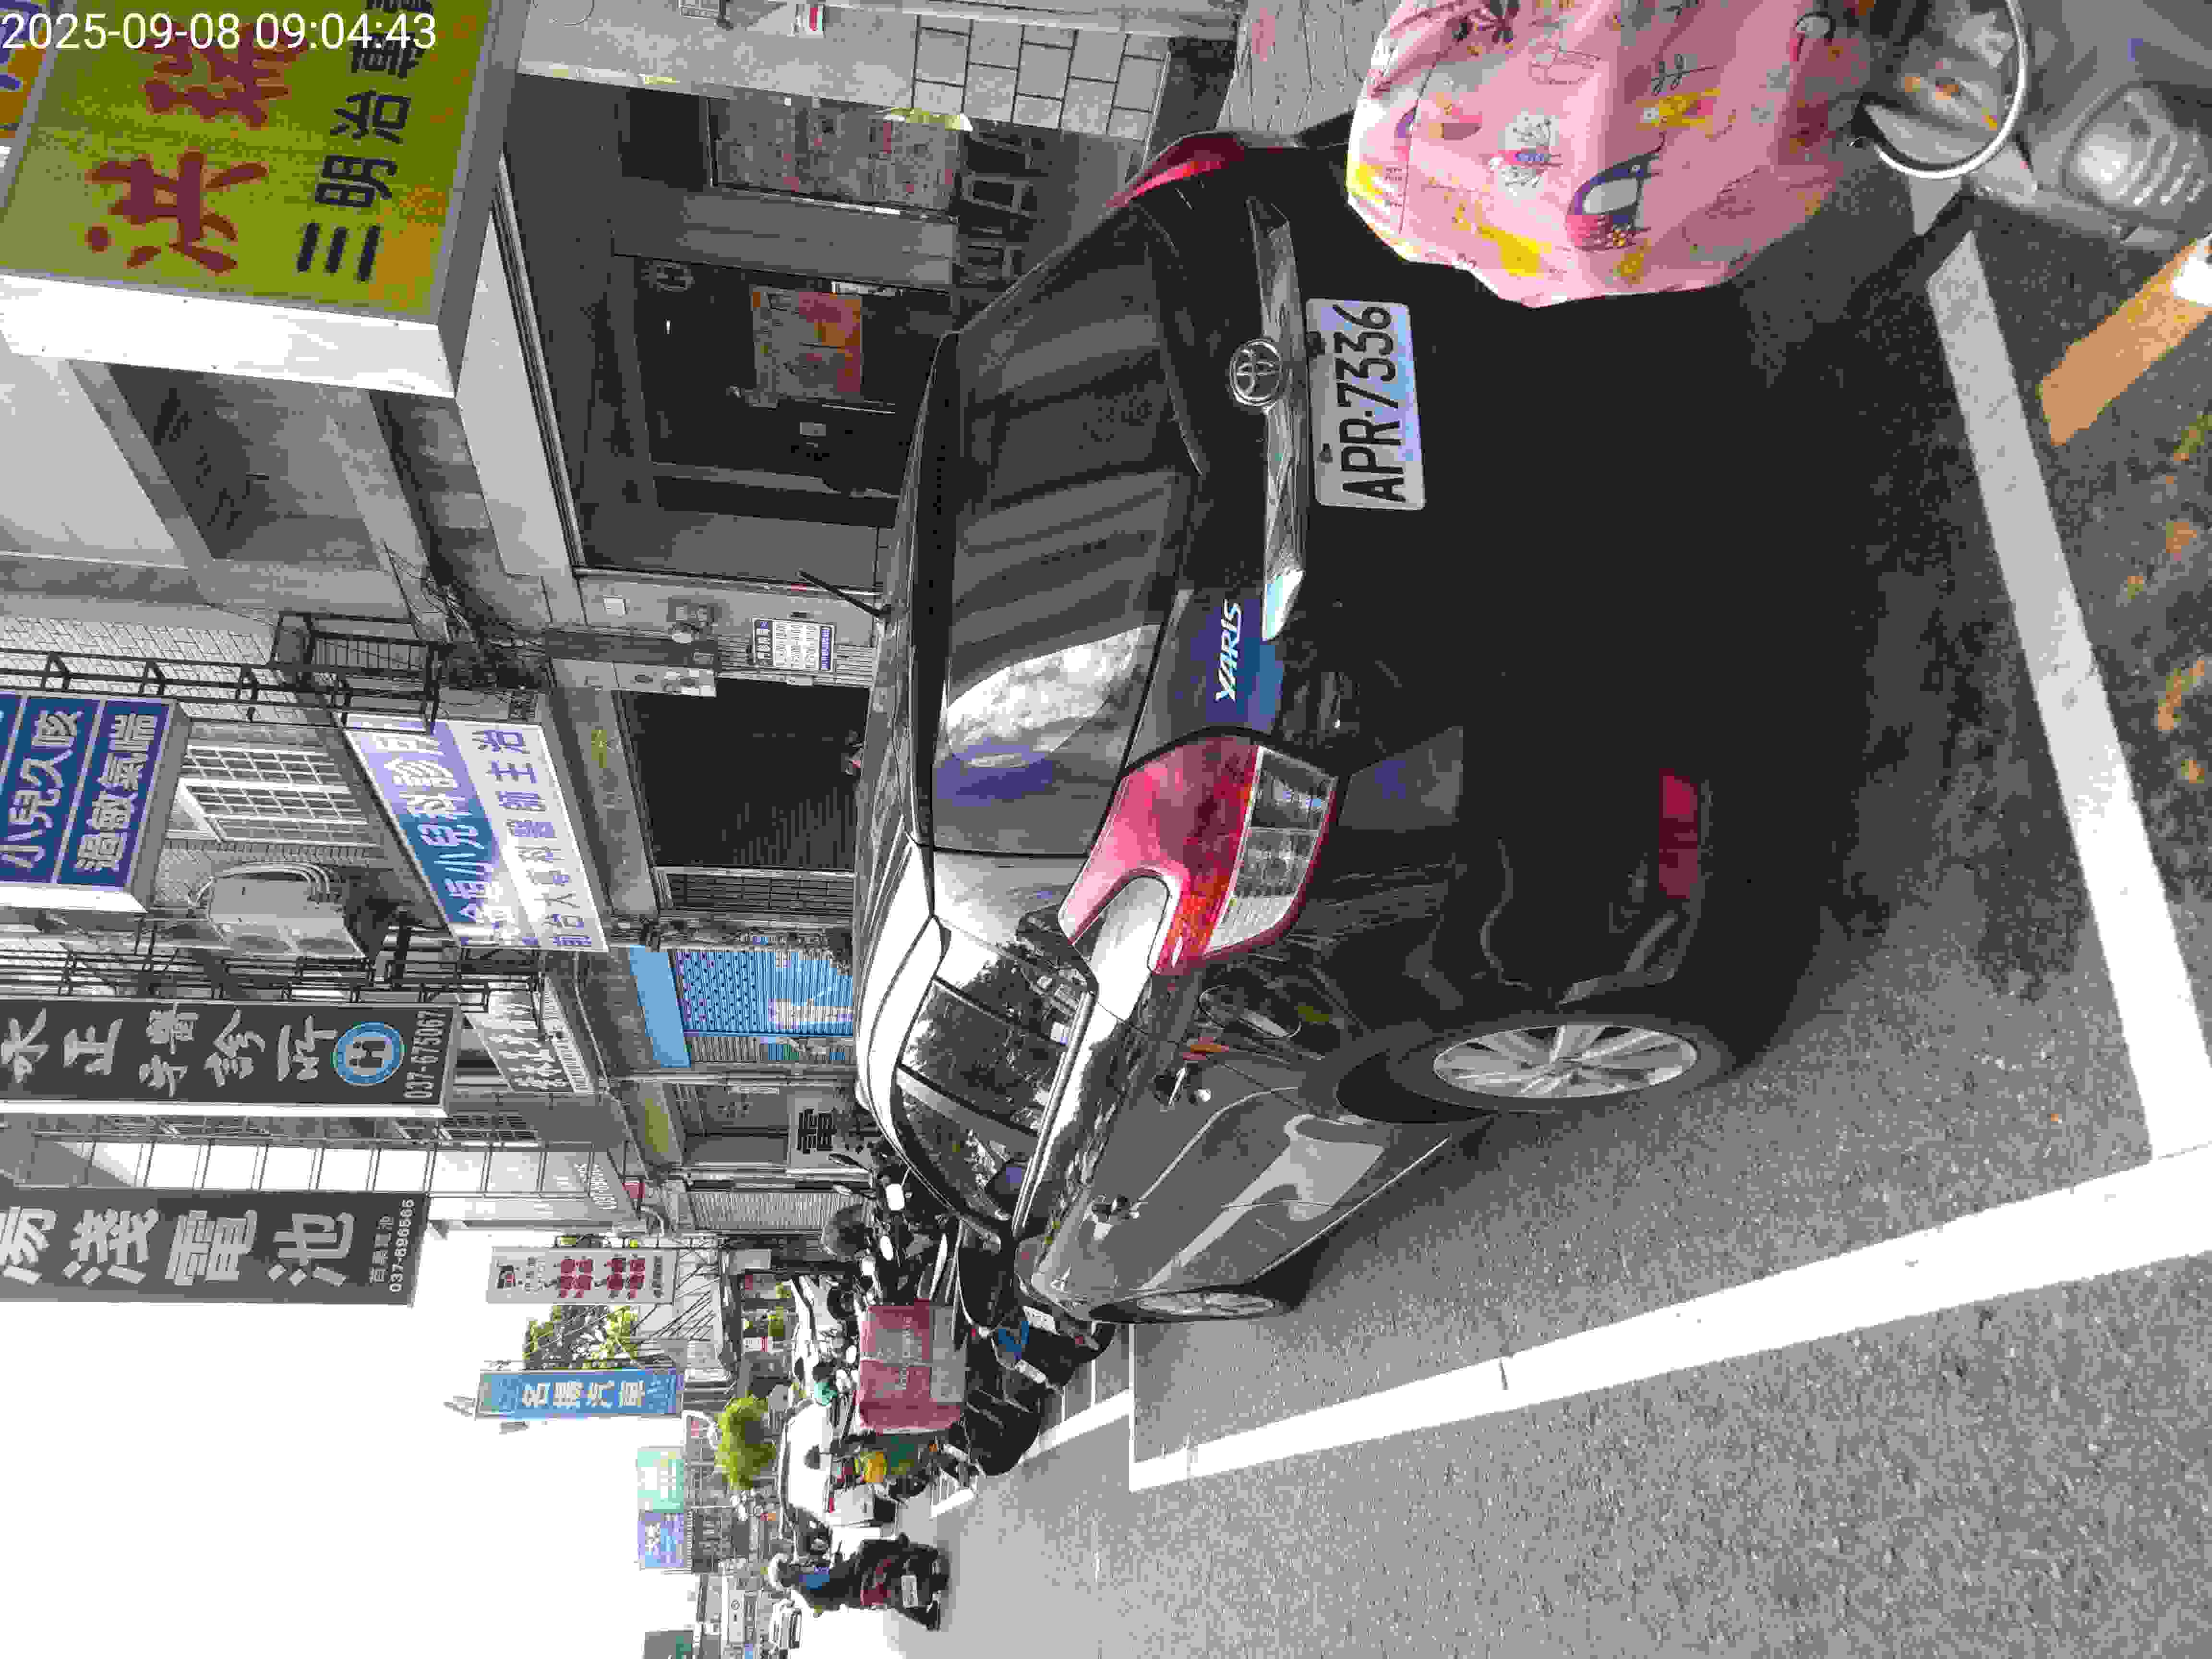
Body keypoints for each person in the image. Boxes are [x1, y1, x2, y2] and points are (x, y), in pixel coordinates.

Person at [765, 1539, 944, 1630]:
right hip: (856, 1587)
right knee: (869, 1552)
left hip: (854, 1579)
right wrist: (842, 1567)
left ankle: (915, 1555)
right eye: (785, 1568)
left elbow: (829, 1576)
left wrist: (837, 1562)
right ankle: (926, 1619)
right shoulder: (806, 1588)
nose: (789, 1564)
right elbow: (833, 1590)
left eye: (785, 1564)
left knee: (887, 1581)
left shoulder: (805, 1575)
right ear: (785, 1581)